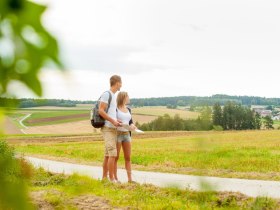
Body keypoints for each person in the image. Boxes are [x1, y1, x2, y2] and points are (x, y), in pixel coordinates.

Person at [98, 75, 122, 182]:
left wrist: (117, 121)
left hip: (113, 127)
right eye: (121, 83)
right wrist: (113, 121)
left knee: (107, 154)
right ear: (117, 83)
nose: (121, 85)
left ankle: (104, 179)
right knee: (112, 153)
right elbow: (101, 110)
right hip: (107, 127)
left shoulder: (113, 96)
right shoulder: (107, 94)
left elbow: (111, 113)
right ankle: (112, 179)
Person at [114, 91, 137, 182]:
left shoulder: (129, 109)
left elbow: (130, 121)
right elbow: (113, 121)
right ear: (123, 97)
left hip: (127, 134)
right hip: (118, 134)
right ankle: (115, 179)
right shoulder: (115, 109)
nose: (129, 98)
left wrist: (133, 125)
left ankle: (130, 180)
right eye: (128, 96)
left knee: (128, 158)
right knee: (116, 157)